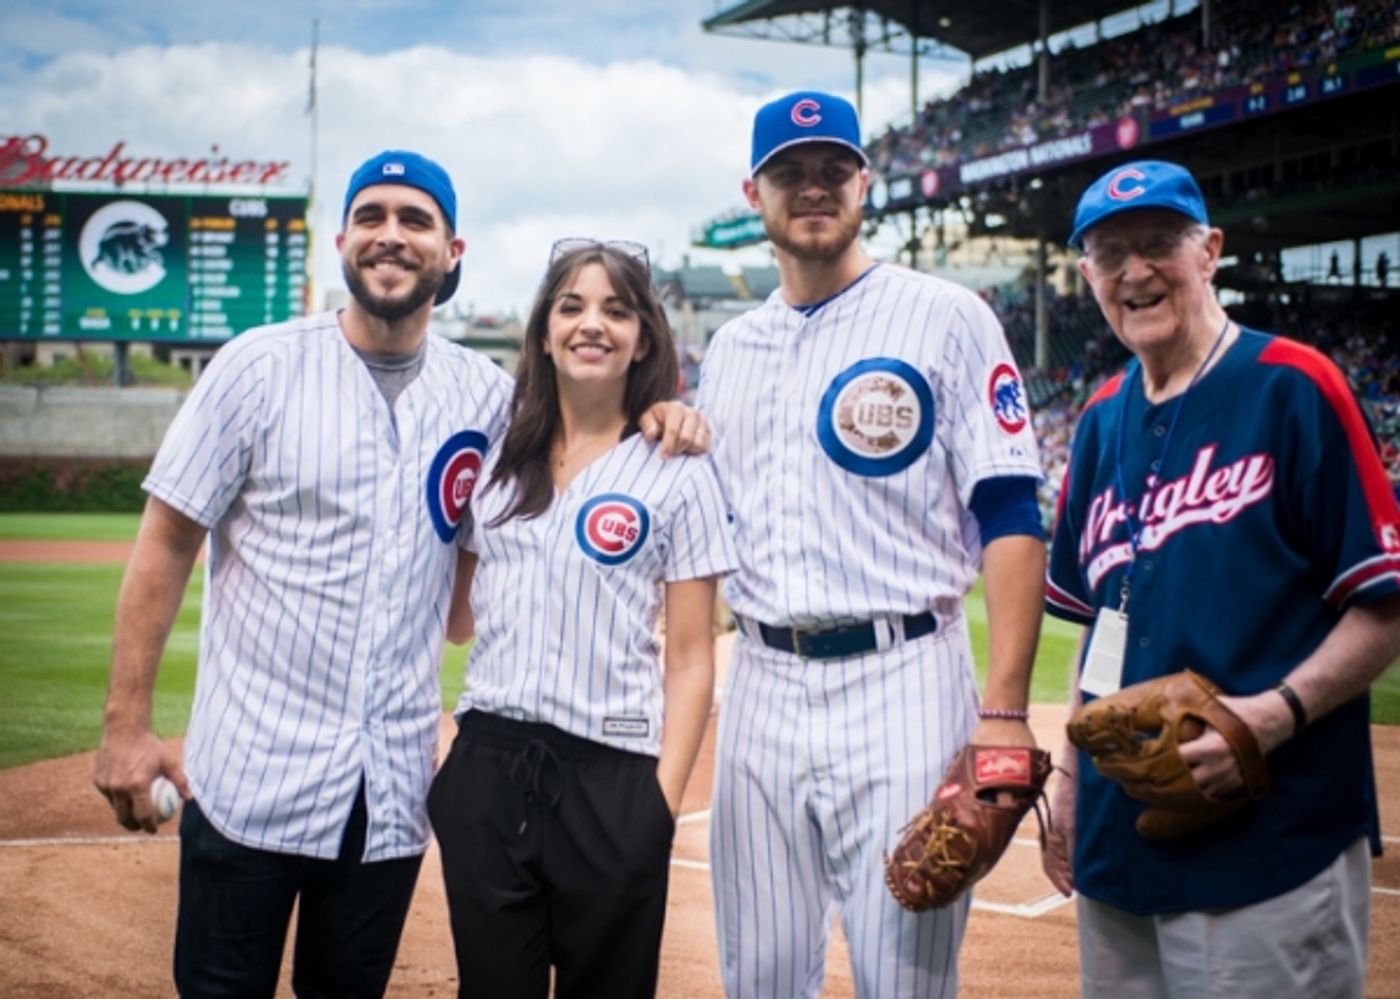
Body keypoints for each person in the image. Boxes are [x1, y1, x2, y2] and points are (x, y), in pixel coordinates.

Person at [91, 152, 702, 997]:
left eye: (416, 220)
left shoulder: (486, 399)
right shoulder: (256, 367)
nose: (392, 235)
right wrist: (126, 725)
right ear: (342, 240)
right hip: (251, 777)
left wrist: (659, 413)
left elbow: (582, 422)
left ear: (453, 251)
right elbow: (164, 542)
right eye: (372, 216)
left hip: (387, 797)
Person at [697, 91, 1048, 997]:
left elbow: (1011, 511)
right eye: (789, 174)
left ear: (863, 181)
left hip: (903, 678)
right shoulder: (729, 349)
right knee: (760, 975)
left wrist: (1004, 709)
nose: (812, 188)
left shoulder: (945, 316)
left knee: (905, 976)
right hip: (763, 687)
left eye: (831, 170)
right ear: (754, 192)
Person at [1042, 159, 1400, 997]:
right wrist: (1068, 776)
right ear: (1087, 274)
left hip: (1269, 842)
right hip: (1116, 848)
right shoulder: (1097, 421)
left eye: (1159, 242)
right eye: (1110, 252)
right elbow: (1104, 623)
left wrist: (1270, 718)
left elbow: (1384, 604)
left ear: (1209, 250)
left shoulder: (1294, 386)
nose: (1135, 270)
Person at [428, 239, 737, 997]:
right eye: (571, 306)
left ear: (643, 338)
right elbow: (458, 618)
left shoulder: (677, 467)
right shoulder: (498, 455)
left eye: (616, 309)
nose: (591, 324)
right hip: (490, 767)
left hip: (613, 778)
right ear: (542, 331)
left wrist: (658, 805)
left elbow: (692, 657)